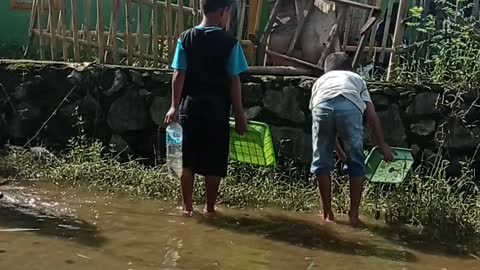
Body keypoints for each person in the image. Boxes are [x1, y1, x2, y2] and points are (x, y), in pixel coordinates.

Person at [164, 0, 248, 217]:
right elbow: (234, 81)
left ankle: (187, 207)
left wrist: (174, 106)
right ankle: (210, 208)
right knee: (214, 160)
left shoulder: (186, 38)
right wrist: (239, 114)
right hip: (217, 110)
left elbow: (178, 74)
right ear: (223, 12)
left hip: (189, 108)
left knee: (187, 159)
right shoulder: (230, 43)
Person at [310, 52, 394, 225]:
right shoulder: (356, 79)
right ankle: (353, 215)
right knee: (356, 162)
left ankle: (327, 214)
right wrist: (382, 144)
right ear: (350, 68)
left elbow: (326, 130)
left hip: (321, 107)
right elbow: (371, 116)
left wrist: (340, 153)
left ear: (327, 70)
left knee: (321, 163)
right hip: (349, 107)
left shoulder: (320, 82)